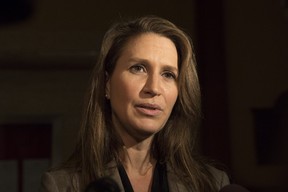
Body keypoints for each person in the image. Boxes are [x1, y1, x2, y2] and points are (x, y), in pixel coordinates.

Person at [40, 15, 230, 192]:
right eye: (138, 68)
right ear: (107, 84)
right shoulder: (62, 185)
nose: (154, 88)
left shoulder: (212, 184)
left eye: (168, 74)